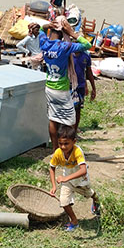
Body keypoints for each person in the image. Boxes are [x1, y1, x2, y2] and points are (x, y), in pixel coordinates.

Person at [40, 16, 92, 150]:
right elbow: (87, 45)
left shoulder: (44, 43)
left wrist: (48, 25)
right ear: (62, 34)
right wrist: (72, 33)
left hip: (49, 86)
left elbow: (41, 29)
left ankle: (55, 149)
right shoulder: (64, 46)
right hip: (61, 89)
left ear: (50, 31)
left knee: (53, 118)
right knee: (69, 122)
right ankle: (66, 151)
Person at [49, 125, 100, 232]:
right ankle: (74, 221)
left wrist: (65, 178)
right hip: (68, 181)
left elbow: (83, 170)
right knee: (63, 201)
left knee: (89, 193)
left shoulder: (77, 151)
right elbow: (52, 167)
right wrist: (54, 186)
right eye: (60, 143)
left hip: (81, 180)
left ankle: (96, 200)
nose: (63, 147)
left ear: (74, 141)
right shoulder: (58, 153)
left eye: (66, 143)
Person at [72, 49, 96, 131]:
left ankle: (74, 131)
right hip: (68, 86)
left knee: (78, 109)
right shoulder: (68, 54)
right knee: (68, 109)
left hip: (80, 86)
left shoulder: (86, 55)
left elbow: (88, 72)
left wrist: (93, 88)